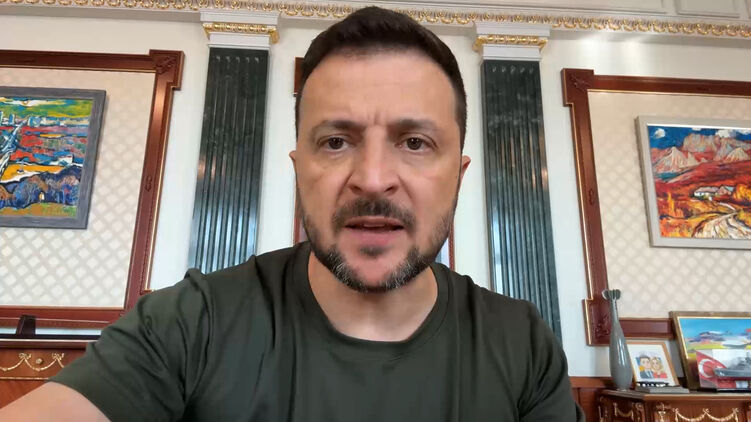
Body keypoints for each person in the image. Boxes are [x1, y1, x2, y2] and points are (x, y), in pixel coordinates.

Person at [0, 7, 583, 422]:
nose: (372, 177)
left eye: (414, 142)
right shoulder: (189, 323)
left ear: (458, 171)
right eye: (336, 141)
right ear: (298, 166)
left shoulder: (522, 344)